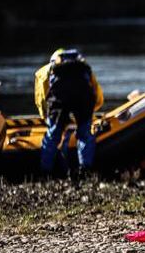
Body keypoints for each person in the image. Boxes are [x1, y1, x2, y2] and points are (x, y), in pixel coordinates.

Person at [36, 48, 104, 182]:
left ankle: (45, 172)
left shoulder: (46, 70)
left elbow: (41, 97)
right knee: (84, 133)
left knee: (53, 134)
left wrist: (46, 115)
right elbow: (97, 96)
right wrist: (88, 113)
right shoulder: (83, 67)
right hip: (83, 96)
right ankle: (85, 169)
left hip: (60, 98)